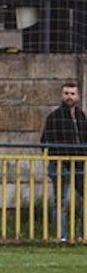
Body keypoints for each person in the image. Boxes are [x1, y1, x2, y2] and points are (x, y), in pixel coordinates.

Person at [39, 81, 87, 242]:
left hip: (80, 164)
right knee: (60, 202)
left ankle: (83, 235)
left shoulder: (82, 117)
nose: (69, 97)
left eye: (72, 93)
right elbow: (45, 142)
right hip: (60, 164)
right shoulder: (54, 117)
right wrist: (56, 157)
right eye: (66, 93)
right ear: (61, 95)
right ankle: (62, 237)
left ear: (78, 96)